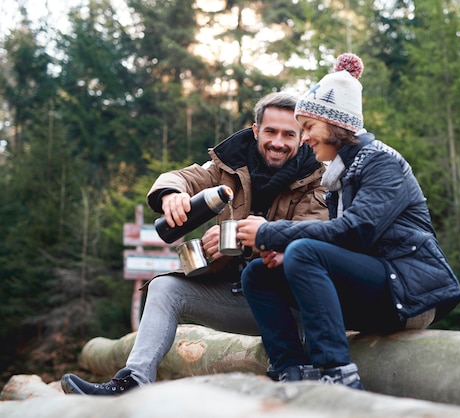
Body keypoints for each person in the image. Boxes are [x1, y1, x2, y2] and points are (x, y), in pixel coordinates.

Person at [60, 92, 328, 395]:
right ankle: (132, 382)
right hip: (236, 297)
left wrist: (238, 236)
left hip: (289, 306)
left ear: (302, 137)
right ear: (256, 131)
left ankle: (295, 377)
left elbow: (310, 236)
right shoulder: (228, 166)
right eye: (270, 131)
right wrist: (171, 194)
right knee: (164, 287)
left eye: (288, 134)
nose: (278, 141)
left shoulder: (319, 178)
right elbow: (183, 177)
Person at [236, 53, 460, 390]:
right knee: (258, 273)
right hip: (374, 288)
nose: (305, 138)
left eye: (309, 127)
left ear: (334, 124)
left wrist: (271, 233)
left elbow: (355, 233)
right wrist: (287, 258)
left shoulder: (382, 163)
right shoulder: (340, 177)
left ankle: (336, 373)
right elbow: (339, 247)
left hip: (408, 293)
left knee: (302, 252)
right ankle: (293, 370)